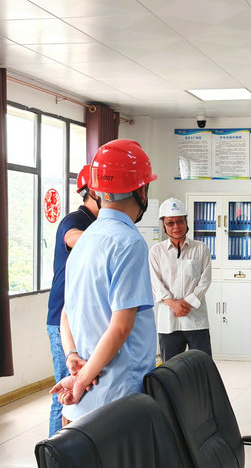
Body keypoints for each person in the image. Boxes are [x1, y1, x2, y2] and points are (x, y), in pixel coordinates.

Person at [50, 139, 158, 425]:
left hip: (81, 404)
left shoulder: (84, 240)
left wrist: (73, 356)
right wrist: (81, 380)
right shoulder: (129, 242)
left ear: (98, 191)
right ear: (142, 190)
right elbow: (121, 327)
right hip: (118, 399)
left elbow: (66, 312)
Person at [46, 164, 99, 436]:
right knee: (65, 393)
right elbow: (72, 238)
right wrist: (110, 236)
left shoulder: (99, 223)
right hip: (62, 319)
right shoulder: (75, 219)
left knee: (82, 391)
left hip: (81, 316)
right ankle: (54, 452)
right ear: (94, 191)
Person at [149, 197, 212, 361]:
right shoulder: (156, 252)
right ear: (163, 226)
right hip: (168, 322)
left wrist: (187, 303)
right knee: (171, 370)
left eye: (180, 221)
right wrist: (173, 304)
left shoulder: (201, 248)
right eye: (170, 223)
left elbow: (205, 281)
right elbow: (156, 283)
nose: (176, 227)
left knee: (202, 367)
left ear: (186, 222)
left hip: (196, 320)